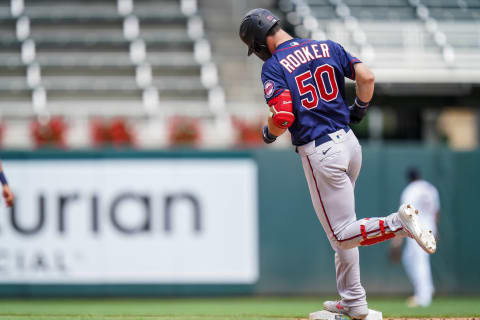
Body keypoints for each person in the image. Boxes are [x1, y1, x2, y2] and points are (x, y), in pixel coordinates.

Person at [239, 8, 436, 319]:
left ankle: (398, 224)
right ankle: (354, 303)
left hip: (321, 151)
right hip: (349, 144)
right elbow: (366, 77)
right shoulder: (326, 46)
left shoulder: (275, 67)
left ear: (260, 42)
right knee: (346, 229)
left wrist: (267, 132)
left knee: (342, 234)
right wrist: (359, 108)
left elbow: (283, 117)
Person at [392, 168, 439, 307]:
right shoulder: (430, 188)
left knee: (420, 261)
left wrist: (397, 240)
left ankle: (423, 297)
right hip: (430, 227)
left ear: (409, 178)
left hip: (417, 229)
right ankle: (427, 288)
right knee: (409, 259)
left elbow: (405, 214)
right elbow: (436, 212)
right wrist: (435, 231)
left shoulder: (410, 190)